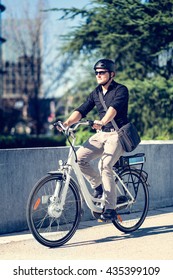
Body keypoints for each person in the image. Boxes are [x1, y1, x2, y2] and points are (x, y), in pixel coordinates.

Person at [62, 59, 129, 220]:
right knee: (79, 159)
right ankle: (98, 185)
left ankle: (111, 209)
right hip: (102, 134)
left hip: (117, 134)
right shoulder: (96, 92)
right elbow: (82, 109)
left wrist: (102, 122)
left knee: (104, 164)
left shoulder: (121, 90)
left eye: (102, 72)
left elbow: (113, 109)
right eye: (96, 73)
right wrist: (67, 123)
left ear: (111, 74)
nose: (98, 75)